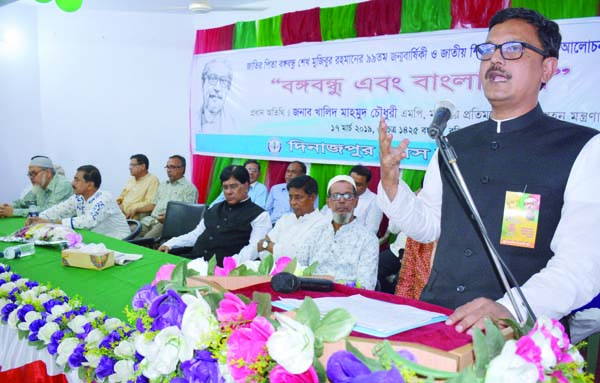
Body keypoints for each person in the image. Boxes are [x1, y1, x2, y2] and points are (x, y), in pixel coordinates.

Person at [377, 7, 600, 333]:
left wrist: (508, 308)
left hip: (516, 337)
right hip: (437, 319)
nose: (496, 59)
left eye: (513, 50)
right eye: (488, 50)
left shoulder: (583, 149)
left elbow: (582, 265)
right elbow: (428, 226)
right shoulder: (453, 144)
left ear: (547, 69)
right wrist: (392, 184)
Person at [158, 165, 271, 266]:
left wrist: (230, 265)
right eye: (225, 187)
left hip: (223, 270)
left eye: (233, 186)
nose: (228, 191)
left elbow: (254, 248)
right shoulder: (215, 208)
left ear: (246, 186)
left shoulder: (260, 216)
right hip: (194, 261)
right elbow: (196, 235)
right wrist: (170, 244)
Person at [297, 175, 379, 290]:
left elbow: (366, 286)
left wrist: (332, 285)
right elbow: (299, 268)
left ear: (356, 201)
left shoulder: (368, 239)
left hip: (347, 301)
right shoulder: (316, 233)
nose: (341, 200)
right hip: (310, 295)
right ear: (328, 202)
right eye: (335, 196)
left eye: (348, 196)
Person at [25, 165, 130, 239]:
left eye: (77, 180)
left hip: (119, 240)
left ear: (89, 185)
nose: (72, 183)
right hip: (97, 239)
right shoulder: (78, 197)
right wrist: (39, 218)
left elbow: (88, 221)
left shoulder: (104, 198)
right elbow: (59, 209)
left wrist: (53, 223)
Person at [256, 175, 327, 260]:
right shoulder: (285, 219)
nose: (293, 202)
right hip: (272, 270)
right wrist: (272, 248)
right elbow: (262, 251)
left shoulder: (322, 224)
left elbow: (300, 257)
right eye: (290, 197)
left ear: (312, 198)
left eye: (298, 197)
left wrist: (269, 246)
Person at [136, 155, 199, 239]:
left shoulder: (189, 189)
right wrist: (136, 209)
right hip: (150, 220)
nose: (169, 170)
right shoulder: (163, 184)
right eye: (167, 167)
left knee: (146, 239)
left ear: (182, 169)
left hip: (167, 224)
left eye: (172, 167)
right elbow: (154, 205)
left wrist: (169, 217)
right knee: (129, 232)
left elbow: (187, 214)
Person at [0, 156, 72, 218]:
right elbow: (24, 202)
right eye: (29, 174)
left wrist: (14, 212)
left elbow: (50, 211)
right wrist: (5, 207)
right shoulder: (40, 184)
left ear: (48, 173)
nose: (31, 177)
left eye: (34, 173)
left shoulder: (63, 185)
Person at [321, 165, 383, 234]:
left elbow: (371, 231)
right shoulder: (337, 192)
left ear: (367, 184)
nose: (353, 186)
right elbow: (322, 217)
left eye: (358, 184)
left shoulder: (375, 201)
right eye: (351, 182)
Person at [265, 161, 317, 225]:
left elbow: (311, 213)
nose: (289, 174)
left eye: (293, 172)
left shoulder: (310, 191)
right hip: (274, 224)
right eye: (288, 171)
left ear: (303, 175)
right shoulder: (275, 189)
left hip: (297, 225)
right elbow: (267, 211)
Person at [117, 154, 160, 220]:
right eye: (130, 165)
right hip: (120, 214)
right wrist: (119, 203)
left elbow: (150, 203)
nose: (130, 168)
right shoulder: (131, 180)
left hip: (134, 216)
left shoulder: (152, 180)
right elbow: (122, 196)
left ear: (143, 166)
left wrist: (132, 208)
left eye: (133, 165)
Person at [199, 58, 236, 133]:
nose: (217, 88)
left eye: (223, 81)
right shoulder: (191, 119)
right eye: (213, 78)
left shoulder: (234, 126)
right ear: (203, 83)